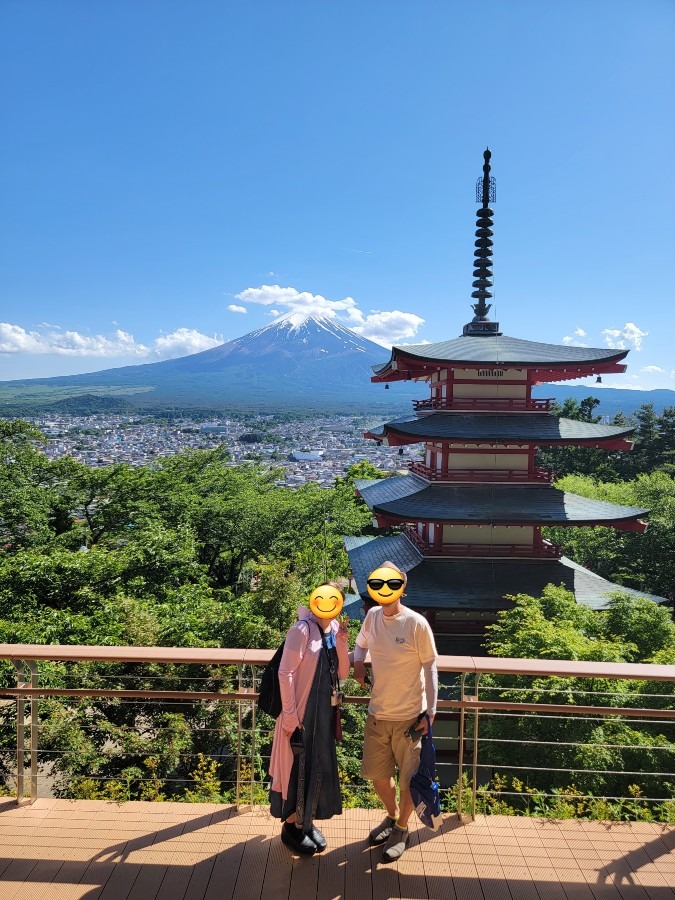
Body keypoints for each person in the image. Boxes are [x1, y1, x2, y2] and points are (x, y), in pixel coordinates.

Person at [353, 561, 438, 862]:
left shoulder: (416, 623)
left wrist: (431, 711)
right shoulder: (373, 617)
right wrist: (358, 661)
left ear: (402, 585)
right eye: (378, 584)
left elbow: (430, 667)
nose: (383, 591)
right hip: (378, 713)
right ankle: (391, 817)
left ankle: (402, 828)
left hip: (410, 717)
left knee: (407, 781)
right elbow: (360, 645)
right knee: (377, 776)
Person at [268, 581, 350, 855]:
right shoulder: (301, 630)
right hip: (301, 713)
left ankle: (306, 822)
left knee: (317, 765)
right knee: (296, 766)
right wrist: (290, 716)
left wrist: (342, 642)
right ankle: (290, 826)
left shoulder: (335, 629)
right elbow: (285, 673)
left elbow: (343, 673)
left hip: (323, 713)